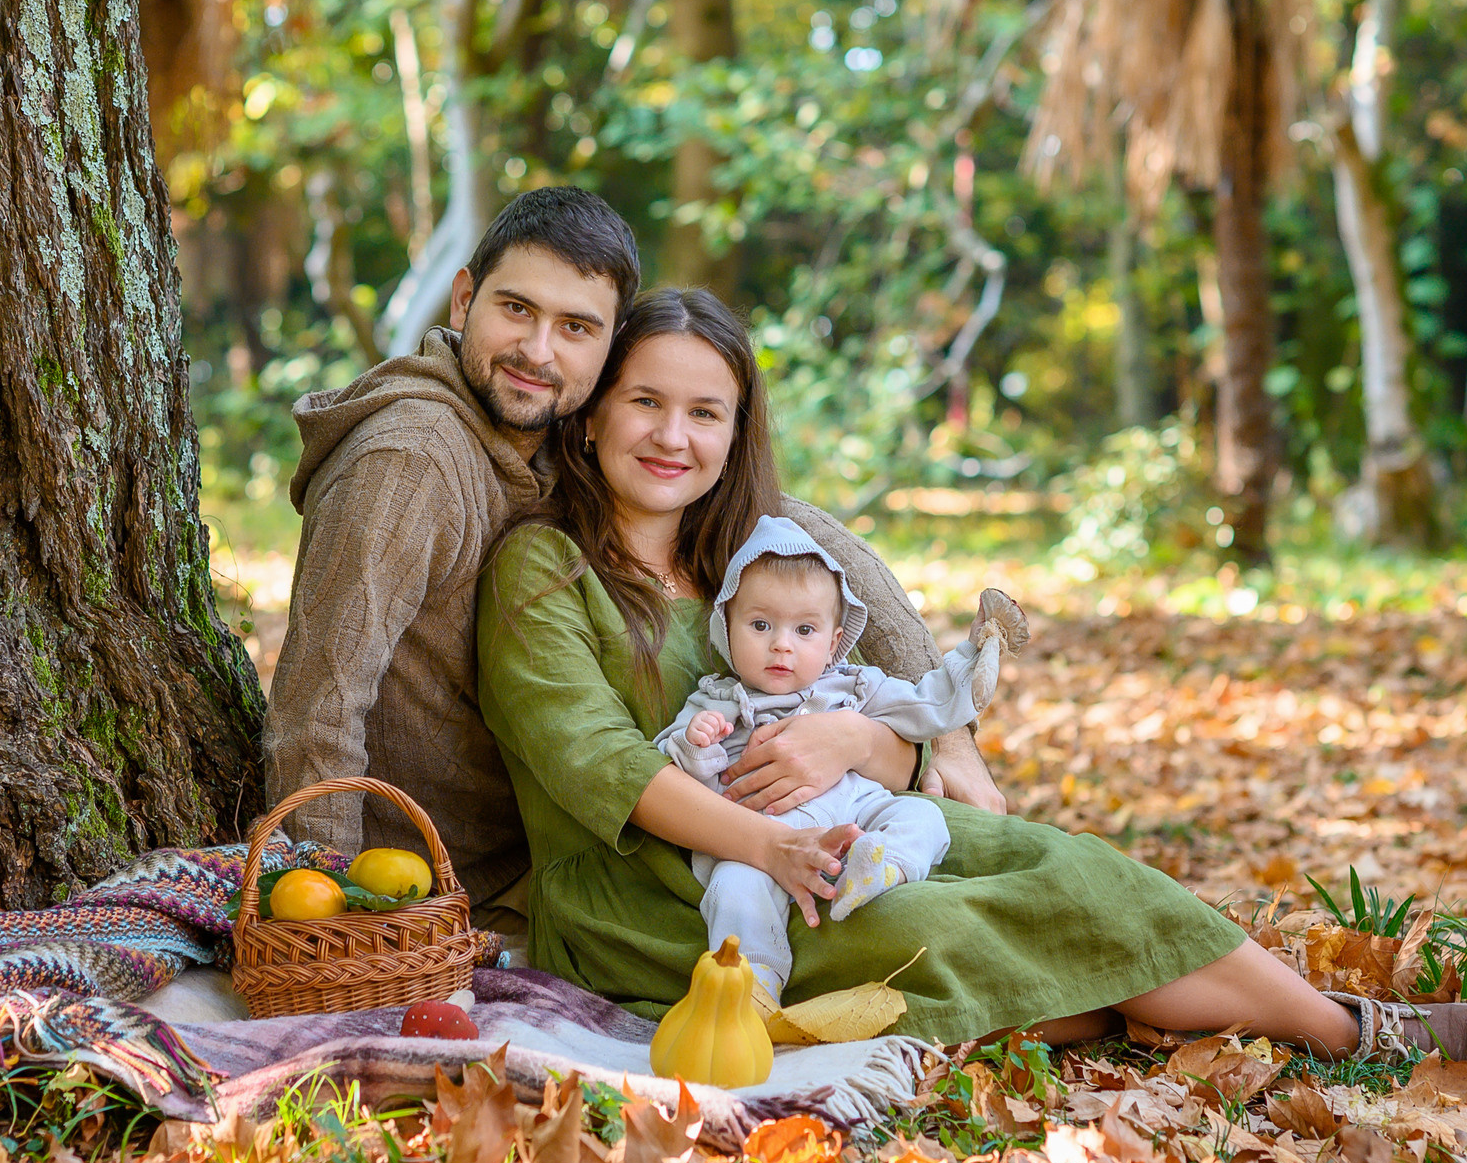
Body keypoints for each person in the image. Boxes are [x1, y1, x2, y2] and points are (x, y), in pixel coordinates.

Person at [476, 288, 1467, 1059]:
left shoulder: (755, 558)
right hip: (664, 895)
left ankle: (1339, 1027)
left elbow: (874, 706)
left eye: (705, 412)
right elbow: (600, 767)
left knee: (1061, 866)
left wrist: (869, 743)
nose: (672, 435)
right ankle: (1261, 1021)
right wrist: (776, 847)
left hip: (849, 829)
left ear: (736, 430)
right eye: (645, 402)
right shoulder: (542, 569)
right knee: (937, 927)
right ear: (595, 411)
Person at [267, 190, 1003, 948]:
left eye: (576, 327)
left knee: (1004, 883)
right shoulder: (412, 461)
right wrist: (314, 910)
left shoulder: (549, 422)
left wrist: (948, 740)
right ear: (464, 299)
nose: (539, 350)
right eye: (516, 309)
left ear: (608, 348)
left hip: (591, 847)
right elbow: (321, 697)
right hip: (444, 879)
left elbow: (789, 522)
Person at [654, 514, 1024, 1010]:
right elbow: (678, 775)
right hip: (761, 835)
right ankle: (752, 988)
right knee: (735, 891)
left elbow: (926, 705)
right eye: (760, 625)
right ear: (727, 628)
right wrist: (699, 745)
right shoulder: (718, 701)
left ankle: (884, 865)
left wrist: (974, 655)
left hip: (854, 812)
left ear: (832, 642)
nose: (782, 643)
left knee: (923, 815)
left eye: (804, 629)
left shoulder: (853, 686)